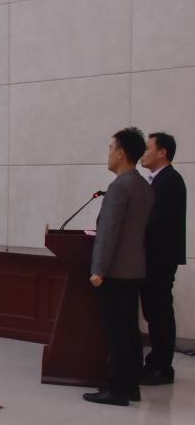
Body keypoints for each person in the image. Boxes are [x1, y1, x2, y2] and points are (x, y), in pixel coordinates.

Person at [85, 127, 155, 406]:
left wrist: (98, 270)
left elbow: (109, 233)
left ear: (121, 153)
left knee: (116, 333)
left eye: (111, 148)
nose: (109, 153)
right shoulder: (143, 186)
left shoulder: (119, 187)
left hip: (114, 272)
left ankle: (116, 389)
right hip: (135, 269)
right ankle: (130, 386)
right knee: (130, 331)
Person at [138, 132, 187, 386]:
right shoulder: (158, 180)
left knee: (159, 314)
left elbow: (158, 222)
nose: (143, 153)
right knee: (154, 312)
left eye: (148, 148)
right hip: (153, 257)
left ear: (162, 152)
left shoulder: (170, 180)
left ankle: (163, 368)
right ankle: (155, 363)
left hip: (160, 258)